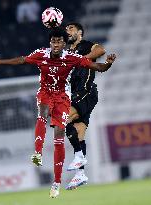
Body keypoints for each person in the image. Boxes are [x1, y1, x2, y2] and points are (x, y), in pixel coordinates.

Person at [0, 27, 116, 198]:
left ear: (64, 44)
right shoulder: (41, 54)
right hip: (45, 93)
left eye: (59, 41)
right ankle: (38, 153)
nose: (55, 44)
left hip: (63, 98)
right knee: (42, 113)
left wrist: (108, 63)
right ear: (50, 43)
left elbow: (97, 67)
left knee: (59, 136)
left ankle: (56, 183)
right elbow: (22, 60)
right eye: (53, 41)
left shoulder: (72, 58)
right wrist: (0, 62)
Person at [65, 22, 106, 190]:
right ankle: (80, 174)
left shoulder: (86, 45)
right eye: (66, 29)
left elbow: (101, 50)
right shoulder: (66, 52)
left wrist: (82, 60)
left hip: (86, 91)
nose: (68, 31)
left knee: (63, 118)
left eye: (71, 29)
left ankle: (79, 158)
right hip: (74, 94)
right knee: (78, 133)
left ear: (80, 32)